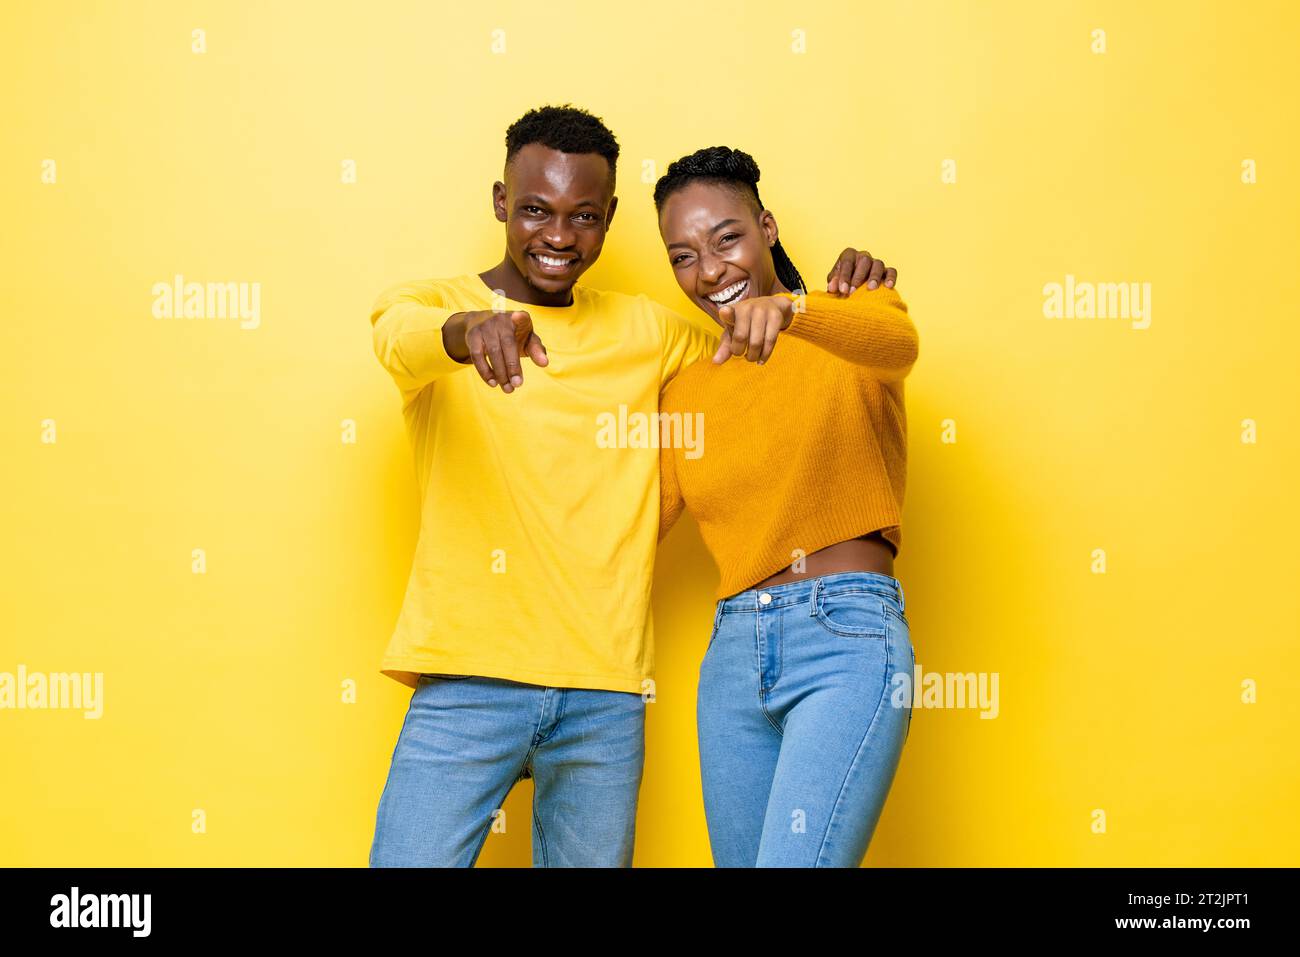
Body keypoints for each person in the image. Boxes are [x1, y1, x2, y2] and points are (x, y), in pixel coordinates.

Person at [367, 105, 894, 867]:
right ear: (498, 203)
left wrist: (841, 295)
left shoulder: (650, 330)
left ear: (609, 218)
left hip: (605, 693)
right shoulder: (432, 309)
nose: (557, 234)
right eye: (535, 211)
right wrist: (467, 332)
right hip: (467, 679)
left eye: (583, 215)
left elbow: (756, 346)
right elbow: (400, 342)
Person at [654, 146, 917, 867]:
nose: (709, 271)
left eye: (727, 238)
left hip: (845, 636)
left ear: (767, 227)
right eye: (683, 256)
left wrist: (797, 310)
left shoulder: (850, 311)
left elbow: (900, 345)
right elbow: (628, 529)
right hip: (732, 658)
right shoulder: (687, 392)